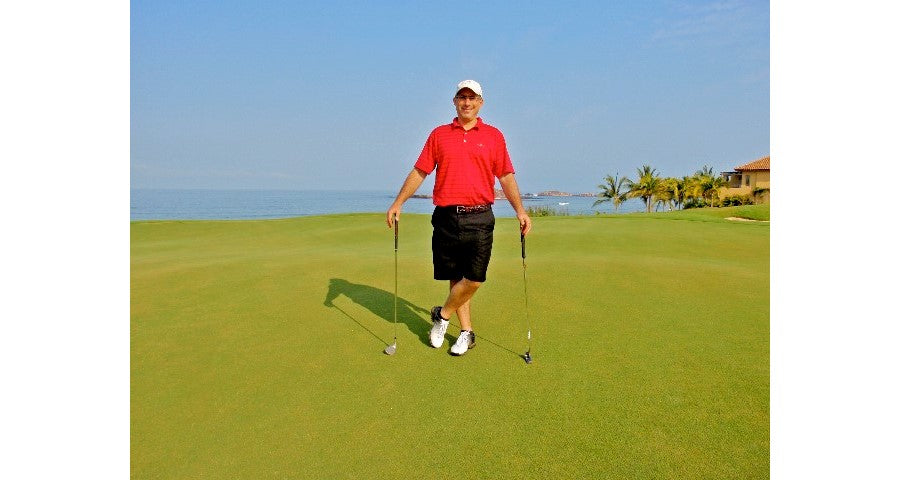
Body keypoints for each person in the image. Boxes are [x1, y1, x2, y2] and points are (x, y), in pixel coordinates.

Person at [386, 79, 532, 356]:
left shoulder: (494, 136)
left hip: (479, 217)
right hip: (445, 217)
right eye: (462, 97)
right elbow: (420, 171)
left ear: (481, 103)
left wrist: (520, 211)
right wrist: (398, 202)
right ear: (454, 101)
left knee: (474, 279)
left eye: (472, 98)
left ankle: (442, 316)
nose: (467, 102)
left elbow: (505, 175)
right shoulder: (439, 135)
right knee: (455, 277)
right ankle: (466, 333)